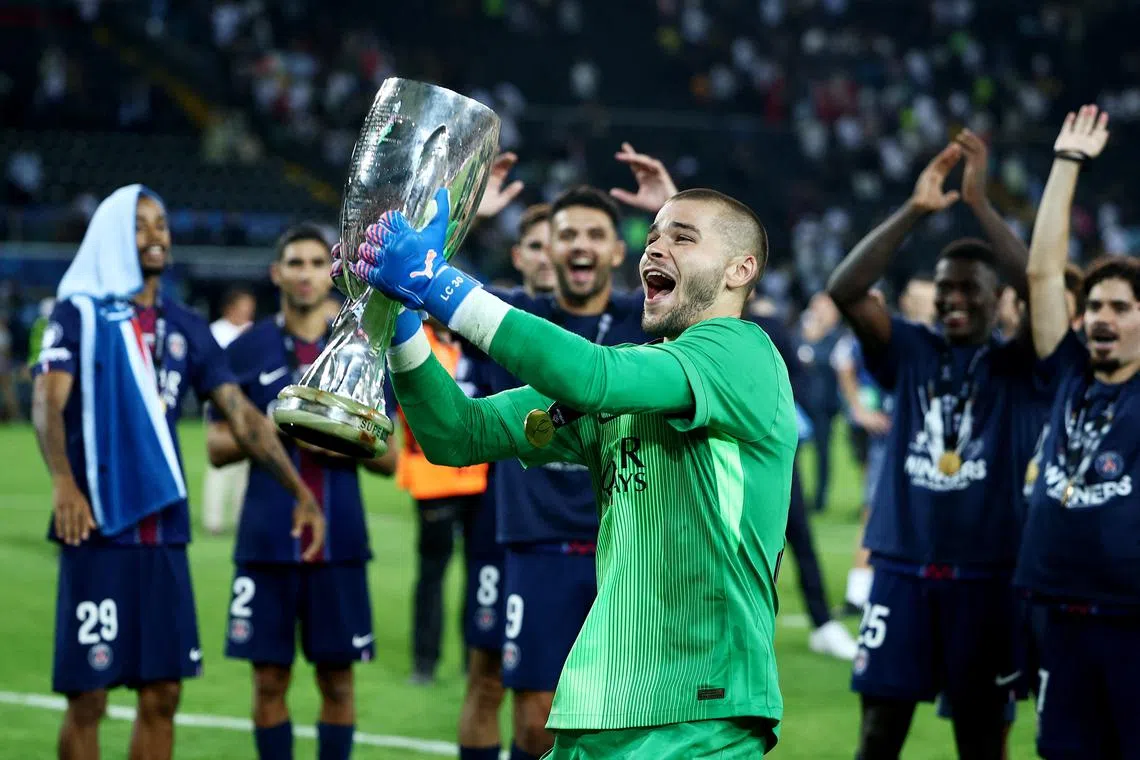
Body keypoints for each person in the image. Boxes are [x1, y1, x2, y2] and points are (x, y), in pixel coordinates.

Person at [352, 184, 795, 757]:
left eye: (683, 238)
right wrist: (401, 325)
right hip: (601, 703)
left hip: (703, 711)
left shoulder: (743, 353)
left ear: (741, 269)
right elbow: (457, 434)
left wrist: (435, 282)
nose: (655, 249)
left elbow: (591, 375)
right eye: (653, 235)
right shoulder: (631, 377)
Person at [30, 185, 324, 760]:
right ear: (114, 235)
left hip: (164, 531)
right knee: (87, 697)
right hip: (96, 524)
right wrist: (63, 481)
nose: (156, 235)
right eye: (140, 225)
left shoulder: (185, 324)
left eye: (161, 223)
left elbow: (243, 416)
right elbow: (48, 400)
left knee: (162, 693)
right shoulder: (80, 312)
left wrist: (300, 493)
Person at [827, 129, 1038, 760]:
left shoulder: (1022, 364)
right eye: (945, 286)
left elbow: (1039, 283)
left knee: (979, 743)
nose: (952, 298)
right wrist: (916, 210)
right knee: (878, 736)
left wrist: (979, 205)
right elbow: (846, 290)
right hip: (900, 573)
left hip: (986, 578)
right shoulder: (911, 349)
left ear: (1001, 301)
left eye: (970, 288)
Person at [462, 182, 648, 760]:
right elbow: (425, 287)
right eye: (567, 234)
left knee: (626, 719)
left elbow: (726, 294)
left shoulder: (646, 323)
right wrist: (467, 221)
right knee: (534, 719)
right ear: (547, 248)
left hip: (631, 553)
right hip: (535, 547)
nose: (580, 245)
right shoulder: (516, 320)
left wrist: (671, 210)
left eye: (596, 234)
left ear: (619, 251)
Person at [206, 223, 394, 760]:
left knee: (338, 683)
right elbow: (217, 447)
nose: (307, 273)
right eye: (295, 262)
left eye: (317, 262)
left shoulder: (363, 346)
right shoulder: (248, 348)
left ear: (332, 272)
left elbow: (393, 454)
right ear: (277, 273)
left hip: (340, 544)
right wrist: (272, 422)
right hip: (266, 542)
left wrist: (322, 430)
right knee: (268, 682)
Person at [1018, 105, 1140, 759]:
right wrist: (1066, 165)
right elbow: (1042, 274)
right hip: (1058, 616)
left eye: (1120, 307)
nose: (1100, 317)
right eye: (1093, 306)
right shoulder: (1069, 372)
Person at [451, 200, 553, 759]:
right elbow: (431, 286)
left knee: (563, 697)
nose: (547, 256)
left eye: (554, 243)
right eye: (535, 245)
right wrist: (469, 220)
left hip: (586, 529)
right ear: (519, 255)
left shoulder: (607, 322)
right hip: (502, 524)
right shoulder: (501, 316)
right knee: (487, 676)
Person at [745, 296, 859, 660]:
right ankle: (733, 633)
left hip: (770, 452)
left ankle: (822, 623)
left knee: (798, 534)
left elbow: (797, 377)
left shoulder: (769, 327)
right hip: (718, 453)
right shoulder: (695, 325)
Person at [395, 317, 491, 685]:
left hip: (480, 475)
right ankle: (424, 661)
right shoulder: (414, 343)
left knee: (479, 572)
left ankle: (476, 658)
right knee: (433, 573)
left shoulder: (477, 344)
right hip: (432, 476)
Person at [202, 286, 256, 534]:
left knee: (247, 462)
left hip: (248, 403)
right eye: (243, 306)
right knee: (220, 461)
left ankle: (240, 516)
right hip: (220, 404)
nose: (247, 311)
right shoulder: (217, 331)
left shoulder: (249, 331)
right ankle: (213, 520)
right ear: (230, 307)